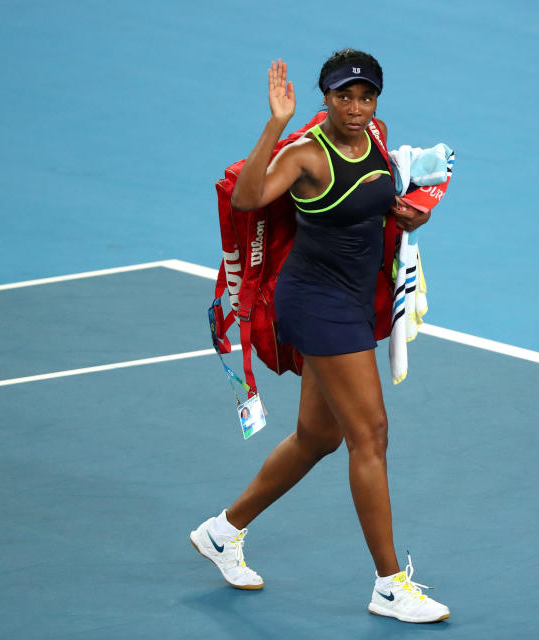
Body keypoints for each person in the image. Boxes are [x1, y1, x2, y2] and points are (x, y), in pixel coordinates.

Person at [189, 49, 449, 624]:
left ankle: (221, 531)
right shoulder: (305, 155)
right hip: (316, 305)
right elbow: (248, 198)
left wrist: (411, 215)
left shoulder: (375, 137)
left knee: (316, 438)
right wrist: (276, 124)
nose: (356, 108)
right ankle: (388, 584)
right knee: (371, 434)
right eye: (343, 97)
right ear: (324, 98)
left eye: (366, 96)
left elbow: (377, 203)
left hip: (354, 301)